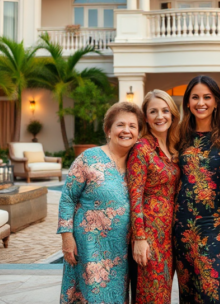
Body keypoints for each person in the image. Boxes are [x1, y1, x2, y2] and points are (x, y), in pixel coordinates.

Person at [58, 102, 144, 304]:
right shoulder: (89, 158)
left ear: (139, 133)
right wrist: (66, 239)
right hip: (88, 247)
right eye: (120, 125)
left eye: (133, 126)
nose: (126, 130)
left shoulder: (138, 162)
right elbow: (67, 198)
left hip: (121, 251)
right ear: (108, 130)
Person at [173, 75, 220, 303]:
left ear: (217, 101)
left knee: (212, 290)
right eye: (195, 97)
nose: (201, 103)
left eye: (207, 97)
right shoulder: (178, 134)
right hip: (182, 225)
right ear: (187, 102)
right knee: (188, 292)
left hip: (215, 225)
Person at [127, 90, 181, 303]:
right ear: (146, 117)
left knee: (163, 294)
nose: (160, 116)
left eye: (165, 111)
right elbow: (135, 196)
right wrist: (140, 239)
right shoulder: (141, 148)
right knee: (150, 295)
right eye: (153, 111)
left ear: (172, 114)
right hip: (149, 235)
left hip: (169, 235)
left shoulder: (173, 148)